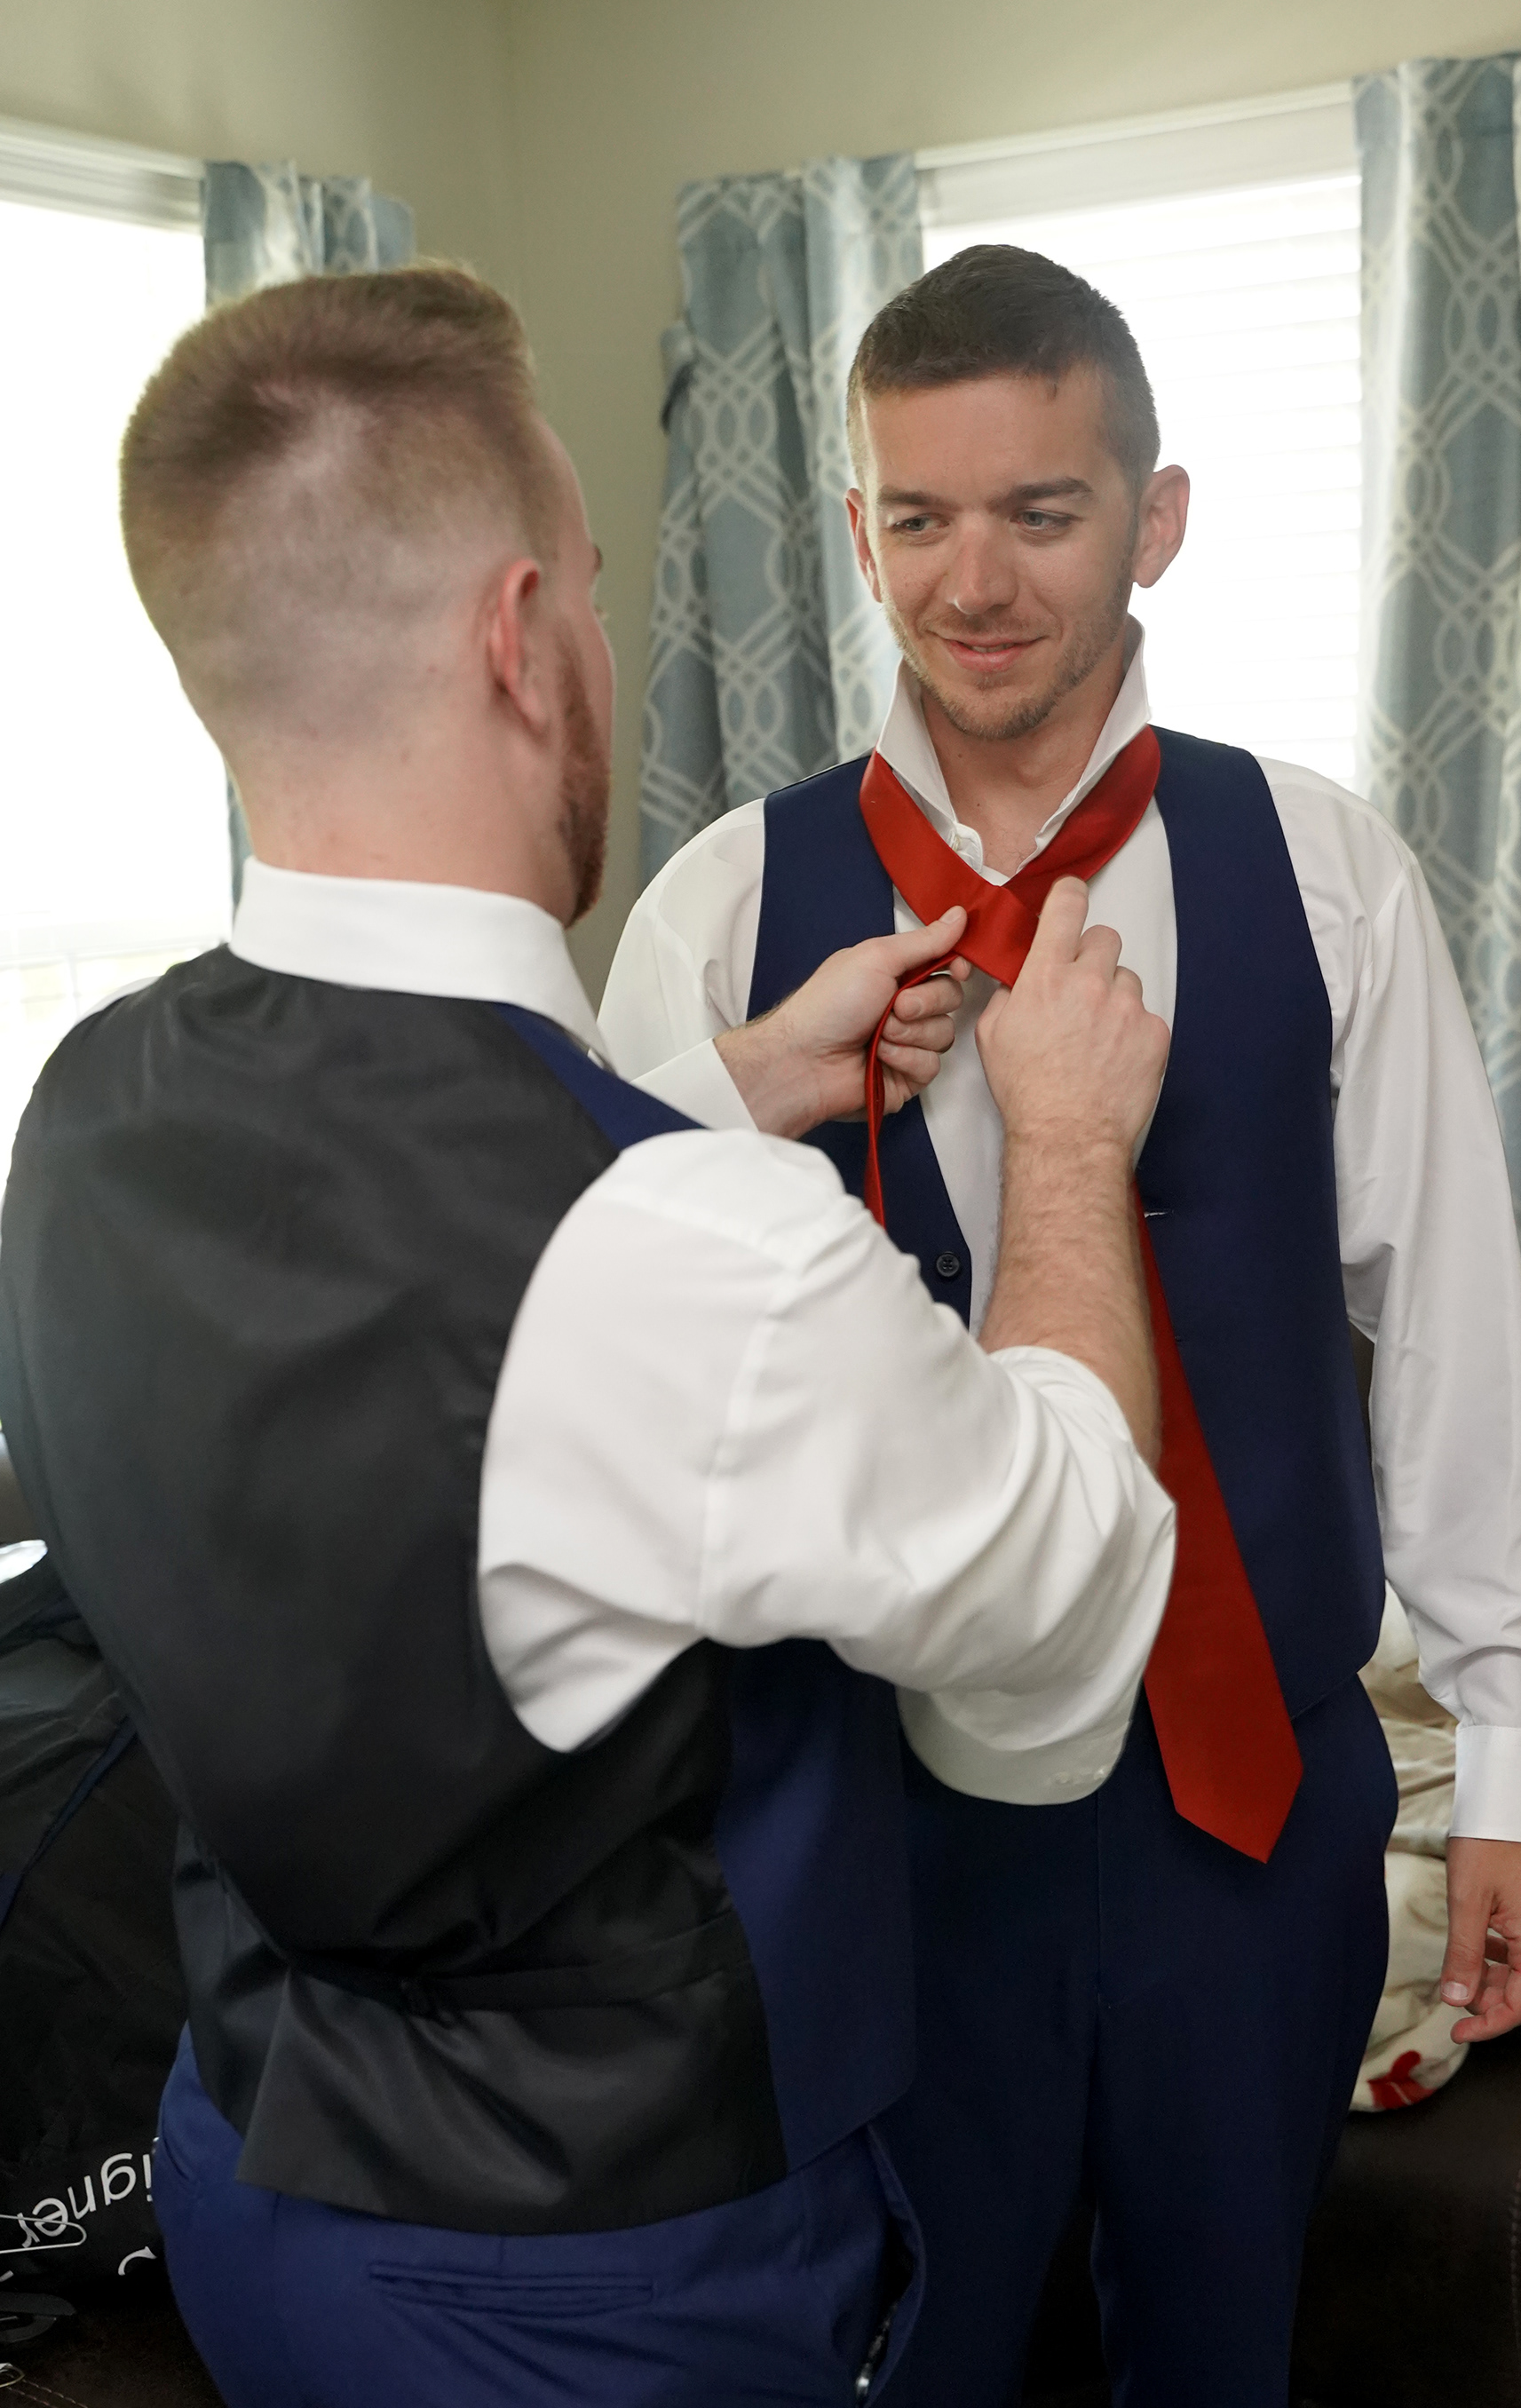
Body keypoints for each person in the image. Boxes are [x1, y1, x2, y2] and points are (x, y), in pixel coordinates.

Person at [0, 265, 1184, 2408]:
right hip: (599, 2283)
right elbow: (1061, 1609)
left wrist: (727, 1086)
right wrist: (1077, 1149)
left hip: (246, 2175)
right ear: (519, 635)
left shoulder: (82, 1108)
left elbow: (411, 1320)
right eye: (603, 598)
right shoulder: (697, 1258)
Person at [599, 244, 1521, 2406]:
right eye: (921, 518)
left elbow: (1451, 1334)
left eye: (1041, 512)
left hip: (1251, 1812)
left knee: (1225, 2359)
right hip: (874, 1833)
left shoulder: (1327, 871)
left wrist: (1509, 1755)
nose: (974, 583)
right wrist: (736, 1089)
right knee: (907, 2361)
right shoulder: (724, 911)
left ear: (1157, 518)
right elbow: (601, 1352)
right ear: (857, 527)